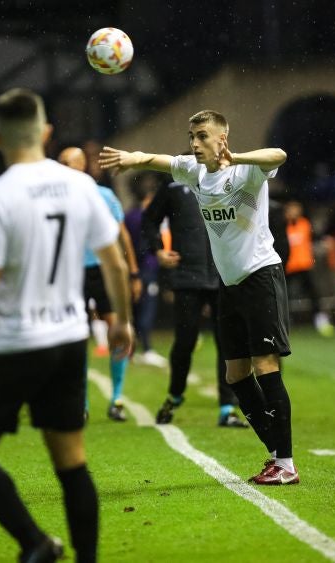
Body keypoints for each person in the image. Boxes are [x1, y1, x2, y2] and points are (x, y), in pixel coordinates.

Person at [0, 88, 133, 562]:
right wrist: (122, 323)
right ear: (47, 133)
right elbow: (113, 263)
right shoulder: (81, 187)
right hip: (69, 339)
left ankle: (35, 542)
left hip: (16, 343)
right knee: (72, 463)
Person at [99, 109, 299, 485]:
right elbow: (160, 161)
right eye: (192, 136)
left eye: (202, 136)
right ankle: (276, 451)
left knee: (265, 364)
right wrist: (133, 158)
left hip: (261, 276)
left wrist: (236, 157)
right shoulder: (195, 172)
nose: (194, 144)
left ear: (222, 138)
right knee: (235, 373)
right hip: (229, 283)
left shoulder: (247, 171)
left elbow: (279, 155)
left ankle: (285, 463)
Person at [141, 174, 249, 428]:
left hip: (223, 274)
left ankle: (227, 407)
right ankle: (174, 395)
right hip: (187, 276)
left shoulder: (229, 178)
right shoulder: (174, 183)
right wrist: (158, 249)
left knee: (228, 341)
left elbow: (247, 220)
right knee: (185, 341)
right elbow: (149, 219)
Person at [58, 146, 142, 422]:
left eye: (65, 163)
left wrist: (133, 273)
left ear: (80, 165)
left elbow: (122, 237)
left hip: (103, 271)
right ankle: (80, 403)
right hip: (72, 273)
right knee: (75, 338)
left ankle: (116, 398)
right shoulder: (56, 199)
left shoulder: (104, 196)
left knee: (116, 332)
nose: (60, 168)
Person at [124, 172, 168, 368]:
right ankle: (146, 349)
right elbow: (142, 244)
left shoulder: (129, 214)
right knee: (146, 310)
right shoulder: (144, 216)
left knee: (135, 308)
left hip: (133, 268)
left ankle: (131, 348)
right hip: (146, 268)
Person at [284, 200, 335, 336]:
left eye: (296, 209)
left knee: (314, 295)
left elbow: (315, 237)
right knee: (284, 297)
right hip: (289, 267)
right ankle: (284, 324)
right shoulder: (283, 226)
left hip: (304, 266)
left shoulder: (305, 224)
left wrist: (325, 240)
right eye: (291, 209)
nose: (294, 212)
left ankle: (320, 321)